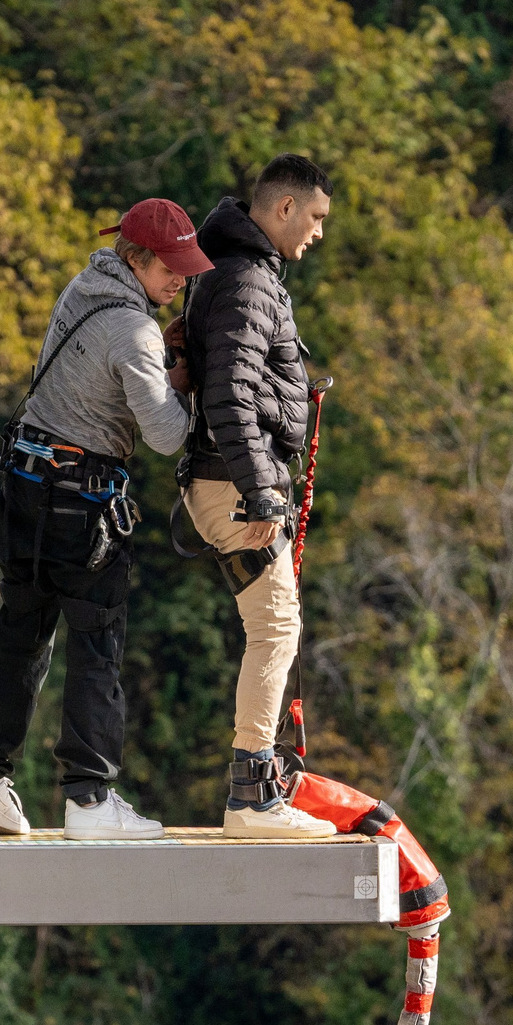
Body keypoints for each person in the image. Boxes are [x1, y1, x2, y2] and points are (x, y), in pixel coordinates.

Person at [0, 198, 211, 840]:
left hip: (24, 485)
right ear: (137, 258)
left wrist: (158, 365)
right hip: (85, 502)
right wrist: (184, 384)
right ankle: (90, 802)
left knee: (21, 630)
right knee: (97, 642)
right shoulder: (135, 330)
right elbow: (165, 436)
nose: (179, 280)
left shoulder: (81, 288)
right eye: (170, 268)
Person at [178, 154, 337, 838]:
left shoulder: (240, 270)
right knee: (275, 628)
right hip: (233, 486)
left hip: (228, 481)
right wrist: (261, 490)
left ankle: (257, 789)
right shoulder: (247, 279)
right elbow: (228, 396)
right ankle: (252, 798)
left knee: (273, 627)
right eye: (316, 217)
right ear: (285, 208)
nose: (319, 232)